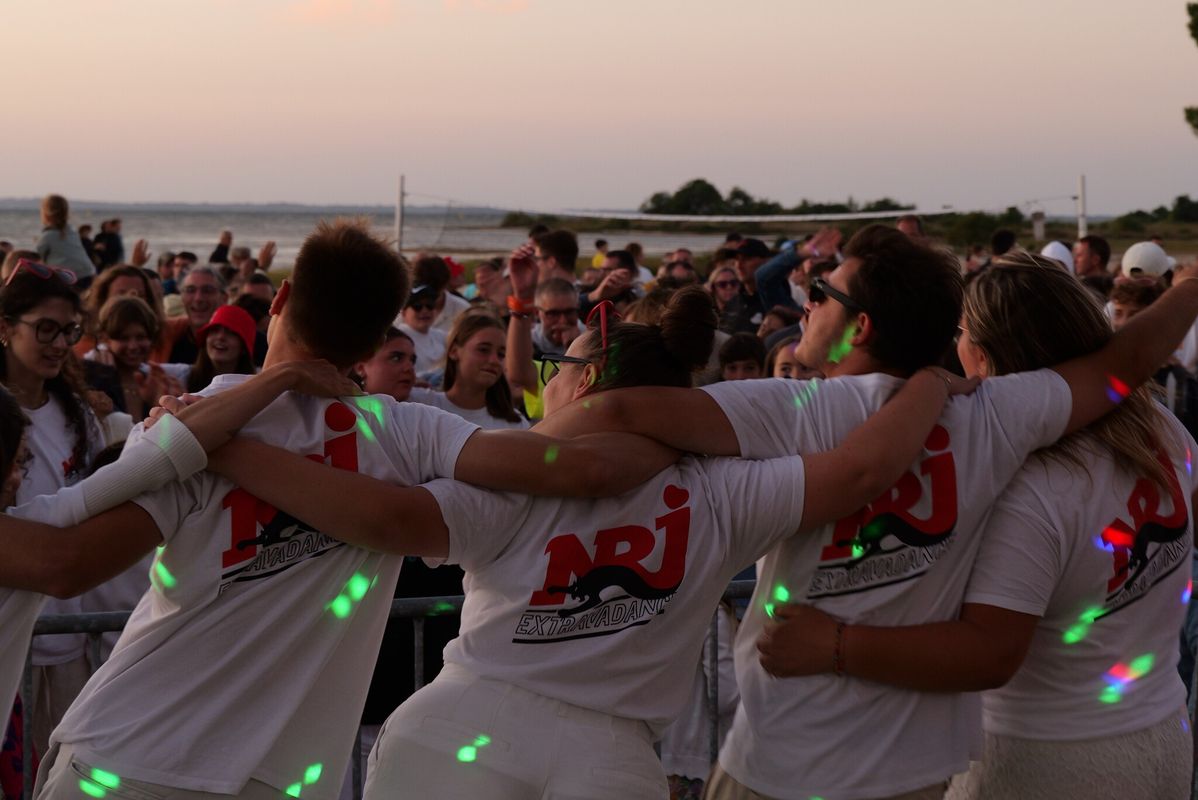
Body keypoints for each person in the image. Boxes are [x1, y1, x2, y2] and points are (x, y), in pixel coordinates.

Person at [191, 285, 967, 800]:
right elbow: (858, 473)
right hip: (612, 766)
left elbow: (391, 520)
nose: (545, 385)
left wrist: (223, 449)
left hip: (464, 734)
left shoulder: (518, 483)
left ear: (592, 386)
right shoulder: (728, 494)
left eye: (559, 370)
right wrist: (933, 382)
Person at [20, 220, 698, 800]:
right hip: (278, 777)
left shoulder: (196, 426)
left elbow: (75, 566)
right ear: (377, 341)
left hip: (128, 757)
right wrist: (696, 438)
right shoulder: (406, 435)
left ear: (280, 297)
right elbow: (582, 468)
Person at [538, 226, 1198, 800]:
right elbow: (1127, 360)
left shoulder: (795, 411)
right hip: (926, 774)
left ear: (860, 326)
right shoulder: (1002, 417)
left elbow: (621, 411)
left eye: (820, 294)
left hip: (791, 768)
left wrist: (470, 457)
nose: (805, 302)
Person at [763, 255, 1198, 799]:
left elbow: (991, 653)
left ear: (991, 354)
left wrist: (836, 644)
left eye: (962, 332)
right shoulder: (1159, 426)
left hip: (1047, 761)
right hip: (1161, 729)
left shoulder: (1028, 483)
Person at [0, 260, 107, 754]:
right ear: (5, 328)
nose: (60, 344)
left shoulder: (77, 415)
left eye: (70, 330)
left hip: (70, 632)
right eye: (45, 328)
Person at [410, 312, 527, 430]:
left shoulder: (515, 424)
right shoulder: (419, 404)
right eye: (483, 350)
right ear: (454, 351)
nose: (494, 361)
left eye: (501, 354)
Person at [91, 297, 184, 422]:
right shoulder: (92, 382)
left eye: (140, 337)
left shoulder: (156, 382)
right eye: (124, 338)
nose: (133, 346)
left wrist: (159, 405)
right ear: (105, 339)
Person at [154, 266, 228, 364]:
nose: (198, 298)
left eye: (207, 290)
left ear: (224, 298)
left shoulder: (239, 344)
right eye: (190, 290)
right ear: (181, 297)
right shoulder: (166, 337)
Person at [184, 304, 258, 393]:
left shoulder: (258, 385)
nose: (220, 337)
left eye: (231, 333)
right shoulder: (179, 377)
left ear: (244, 347)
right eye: (214, 330)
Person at [35, 195, 97, 288]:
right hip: (88, 273)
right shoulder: (72, 232)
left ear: (45, 214)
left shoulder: (47, 237)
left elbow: (40, 260)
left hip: (70, 277)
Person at [396, 284, 447, 379]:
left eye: (430, 306)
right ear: (404, 312)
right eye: (417, 307)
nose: (425, 311)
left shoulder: (441, 336)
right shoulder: (397, 338)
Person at [353, 328, 417, 401]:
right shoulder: (344, 409)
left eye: (412, 360)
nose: (409, 368)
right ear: (361, 368)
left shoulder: (426, 399)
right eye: (396, 358)